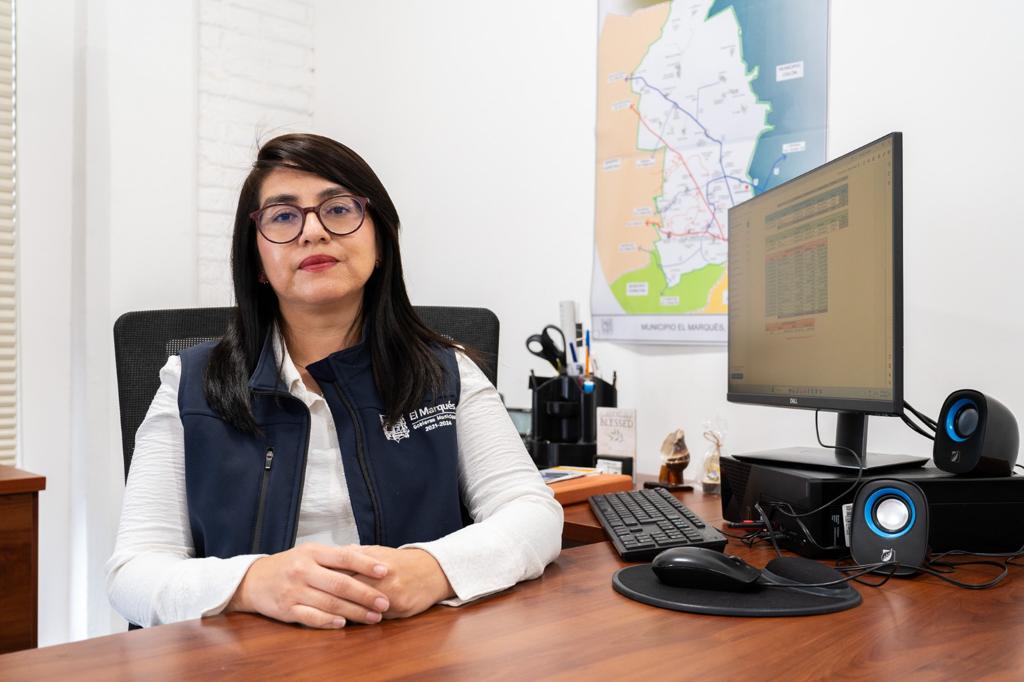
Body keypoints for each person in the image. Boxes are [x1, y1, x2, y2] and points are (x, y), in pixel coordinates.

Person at [106, 133, 563, 628]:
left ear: (380, 241)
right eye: (283, 216)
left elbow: (532, 513)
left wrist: (432, 569)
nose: (313, 232)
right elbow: (134, 572)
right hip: (245, 655)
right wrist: (251, 583)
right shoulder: (189, 383)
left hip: (413, 645)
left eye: (339, 209)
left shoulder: (445, 372)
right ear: (257, 261)